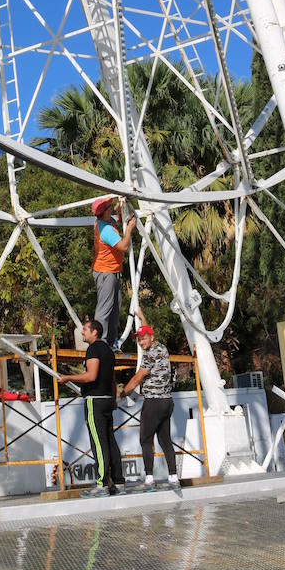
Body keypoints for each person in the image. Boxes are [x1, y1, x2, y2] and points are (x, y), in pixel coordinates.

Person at [63, 315, 123, 496]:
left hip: (95, 401)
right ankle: (119, 481)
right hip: (106, 400)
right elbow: (112, 380)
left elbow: (90, 376)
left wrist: (68, 378)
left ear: (94, 332)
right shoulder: (108, 350)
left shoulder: (94, 349)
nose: (82, 332)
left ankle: (102, 484)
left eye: (85, 329)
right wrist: (112, 400)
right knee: (110, 441)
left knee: (99, 442)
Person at [121, 306, 179, 490]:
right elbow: (147, 330)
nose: (140, 342)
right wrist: (142, 316)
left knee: (145, 440)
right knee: (165, 440)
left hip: (153, 403)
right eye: (138, 339)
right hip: (167, 402)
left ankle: (149, 479)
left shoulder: (149, 356)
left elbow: (138, 378)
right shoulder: (162, 348)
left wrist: (122, 394)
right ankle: (173, 478)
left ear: (151, 338)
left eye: (143, 338)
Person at [91, 196, 137, 350]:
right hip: (106, 272)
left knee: (115, 308)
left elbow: (114, 222)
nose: (111, 209)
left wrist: (119, 212)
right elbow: (123, 246)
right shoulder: (106, 230)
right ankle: (100, 343)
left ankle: (110, 341)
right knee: (104, 309)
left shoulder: (103, 222)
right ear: (104, 212)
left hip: (110, 272)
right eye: (109, 208)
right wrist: (129, 229)